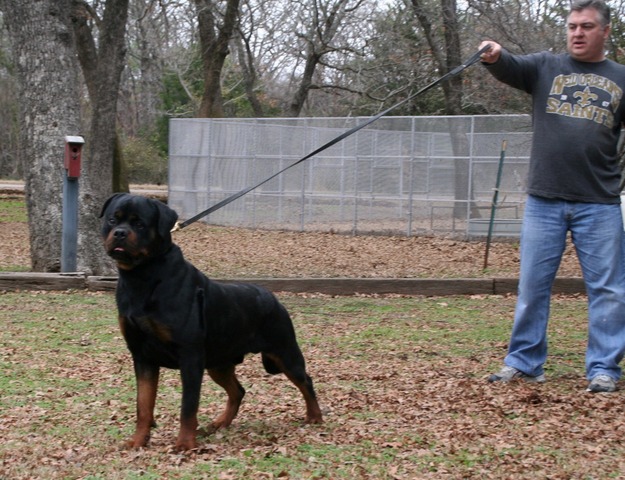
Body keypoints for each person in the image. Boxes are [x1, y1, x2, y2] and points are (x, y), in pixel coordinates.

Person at [480, 0, 625, 393]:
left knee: (609, 291)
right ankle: (525, 362)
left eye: (587, 26)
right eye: (573, 26)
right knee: (532, 286)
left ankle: (604, 369)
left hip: (600, 202)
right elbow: (510, 65)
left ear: (605, 31)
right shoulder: (545, 67)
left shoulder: (621, 78)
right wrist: (494, 54)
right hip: (544, 201)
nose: (578, 33)